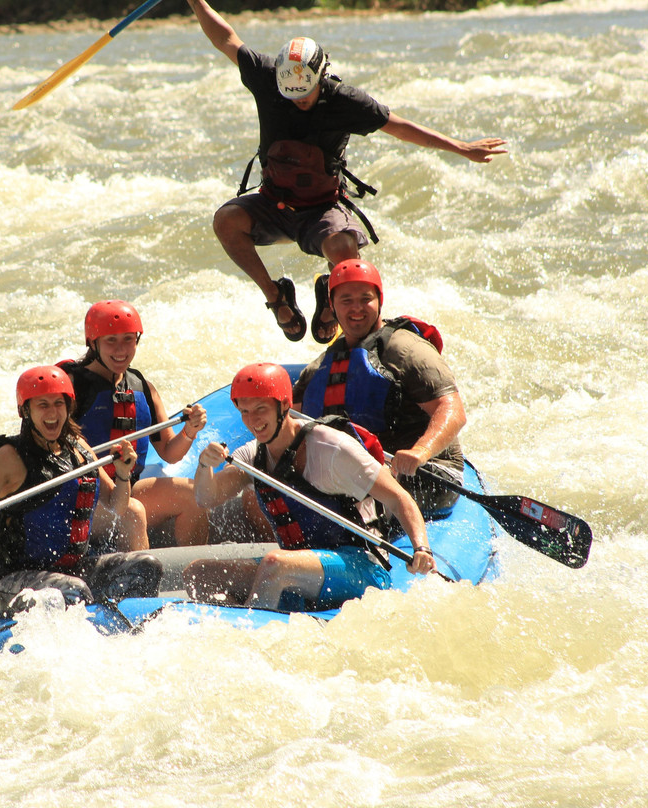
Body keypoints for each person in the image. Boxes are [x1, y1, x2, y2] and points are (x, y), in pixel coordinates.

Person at [185, 0, 508, 343]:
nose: (298, 101)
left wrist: (460, 147)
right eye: (291, 94)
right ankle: (276, 297)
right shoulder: (267, 77)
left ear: (321, 76)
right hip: (273, 203)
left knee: (345, 255)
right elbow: (226, 39)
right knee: (225, 221)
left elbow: (401, 127)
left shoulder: (345, 101)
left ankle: (332, 303)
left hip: (321, 209)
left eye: (305, 94)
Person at [186, 363, 435, 611]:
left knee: (274, 563)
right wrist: (204, 465)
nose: (253, 420)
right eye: (245, 412)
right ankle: (236, 620)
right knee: (198, 573)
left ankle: (251, 631)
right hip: (299, 567)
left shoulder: (332, 449)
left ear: (284, 405)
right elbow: (207, 498)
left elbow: (399, 498)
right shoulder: (252, 455)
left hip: (362, 568)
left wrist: (421, 547)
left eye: (261, 409)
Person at [0, 365, 161, 617]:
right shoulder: (8, 458)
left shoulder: (79, 449)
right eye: (42, 405)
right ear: (25, 410)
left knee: (146, 566)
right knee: (73, 591)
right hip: (10, 581)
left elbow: (117, 505)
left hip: (70, 569)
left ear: (69, 408)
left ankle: (124, 627)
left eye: (59, 403)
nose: (52, 413)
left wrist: (123, 473)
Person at [293, 259, 466, 514]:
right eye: (347, 300)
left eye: (365, 299)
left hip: (429, 472)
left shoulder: (407, 350)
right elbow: (289, 420)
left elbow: (453, 410)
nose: (357, 309)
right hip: (366, 469)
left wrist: (420, 451)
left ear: (379, 299)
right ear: (331, 306)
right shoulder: (327, 361)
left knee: (354, 500)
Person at [59, 299, 210, 548]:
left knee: (193, 497)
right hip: (81, 499)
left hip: (126, 488)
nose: (121, 349)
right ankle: (139, 584)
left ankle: (193, 577)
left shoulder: (143, 387)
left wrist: (190, 431)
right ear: (93, 343)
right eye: (111, 340)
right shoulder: (70, 387)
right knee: (132, 511)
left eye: (128, 339)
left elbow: (170, 452)